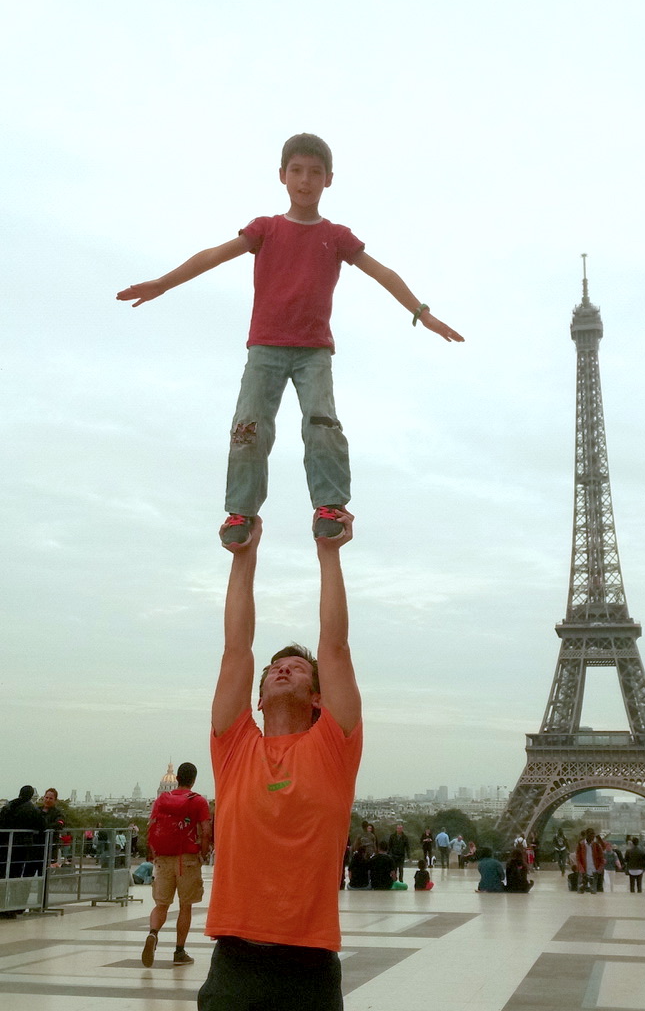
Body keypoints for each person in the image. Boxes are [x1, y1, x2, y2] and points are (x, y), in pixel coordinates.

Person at [117, 134, 464, 550]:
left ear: (329, 180)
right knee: (249, 428)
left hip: (313, 351)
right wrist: (163, 283)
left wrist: (421, 313)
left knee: (322, 424)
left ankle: (330, 507)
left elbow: (382, 273)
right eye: (297, 171)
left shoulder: (336, 236)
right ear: (282, 176)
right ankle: (241, 511)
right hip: (265, 348)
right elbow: (213, 255)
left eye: (315, 172)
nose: (305, 180)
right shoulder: (267, 228)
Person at [197, 511, 361, 1011]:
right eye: (274, 669)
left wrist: (328, 553)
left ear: (318, 697)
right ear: (259, 698)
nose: (281, 668)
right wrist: (243, 556)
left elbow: (335, 647)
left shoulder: (334, 747)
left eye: (295, 667)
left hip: (309, 968)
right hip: (234, 961)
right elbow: (235, 649)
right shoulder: (234, 747)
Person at [141, 761, 211, 968]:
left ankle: (153, 933)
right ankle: (179, 951)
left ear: (177, 778)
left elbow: (151, 826)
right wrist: (203, 853)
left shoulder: (162, 799)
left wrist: (152, 852)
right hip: (187, 859)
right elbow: (206, 831)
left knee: (161, 904)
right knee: (185, 905)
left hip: (163, 857)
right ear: (194, 779)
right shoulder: (198, 801)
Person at [575, 828, 605, 894]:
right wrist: (581, 869)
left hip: (595, 872)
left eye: (593, 834)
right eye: (591, 834)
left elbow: (602, 859)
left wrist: (599, 869)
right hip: (583, 872)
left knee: (595, 892)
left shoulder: (596, 845)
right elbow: (578, 859)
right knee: (580, 893)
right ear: (586, 835)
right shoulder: (580, 845)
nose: (593, 836)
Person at [39, 788, 65, 865]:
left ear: (55, 800)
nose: (48, 800)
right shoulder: (36, 810)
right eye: (46, 797)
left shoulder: (58, 813)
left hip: (50, 848)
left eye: (51, 798)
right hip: (36, 848)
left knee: (46, 873)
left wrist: (44, 827)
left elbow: (60, 824)